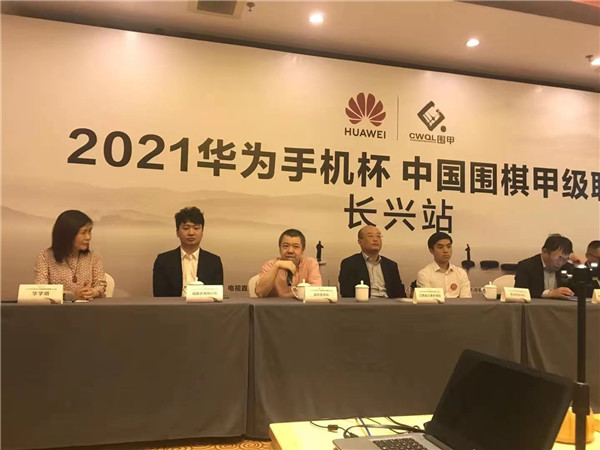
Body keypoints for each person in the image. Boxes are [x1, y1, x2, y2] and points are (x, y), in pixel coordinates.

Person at [34, 210, 106, 300]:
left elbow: (100, 285)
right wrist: (71, 296)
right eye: (83, 232)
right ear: (68, 235)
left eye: (89, 231)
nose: (88, 237)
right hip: (58, 308)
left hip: (88, 306)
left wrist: (93, 292)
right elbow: (40, 290)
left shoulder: (94, 256)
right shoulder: (45, 257)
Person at [153, 207, 223, 297]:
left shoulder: (213, 262)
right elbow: (159, 297)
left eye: (196, 228)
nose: (191, 233)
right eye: (186, 228)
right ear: (177, 232)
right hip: (173, 306)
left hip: (203, 306)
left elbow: (216, 296)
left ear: (202, 232)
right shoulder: (163, 261)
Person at [338, 225, 406, 298]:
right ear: (360, 242)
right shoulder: (349, 263)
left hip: (389, 303)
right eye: (370, 236)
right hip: (364, 303)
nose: (375, 239)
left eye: (378, 236)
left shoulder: (391, 265)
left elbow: (400, 293)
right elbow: (347, 293)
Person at [255, 229, 322, 298]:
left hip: (300, 306)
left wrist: (284, 297)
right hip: (274, 305)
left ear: (302, 250)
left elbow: (315, 291)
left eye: (296, 247)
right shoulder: (271, 265)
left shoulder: (310, 264)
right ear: (280, 248)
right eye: (285, 246)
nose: (290, 251)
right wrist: (277, 266)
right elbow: (260, 293)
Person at [514, 234, 580, 299]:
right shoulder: (526, 266)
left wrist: (579, 269)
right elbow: (520, 292)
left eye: (565, 259)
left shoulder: (568, 268)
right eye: (559, 258)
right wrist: (550, 293)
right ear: (545, 251)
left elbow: (581, 293)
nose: (561, 263)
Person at [417, 232, 471, 298]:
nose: (446, 251)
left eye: (449, 247)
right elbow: (429, 301)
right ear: (431, 251)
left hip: (459, 305)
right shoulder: (424, 274)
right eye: (440, 247)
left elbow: (465, 300)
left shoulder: (461, 273)